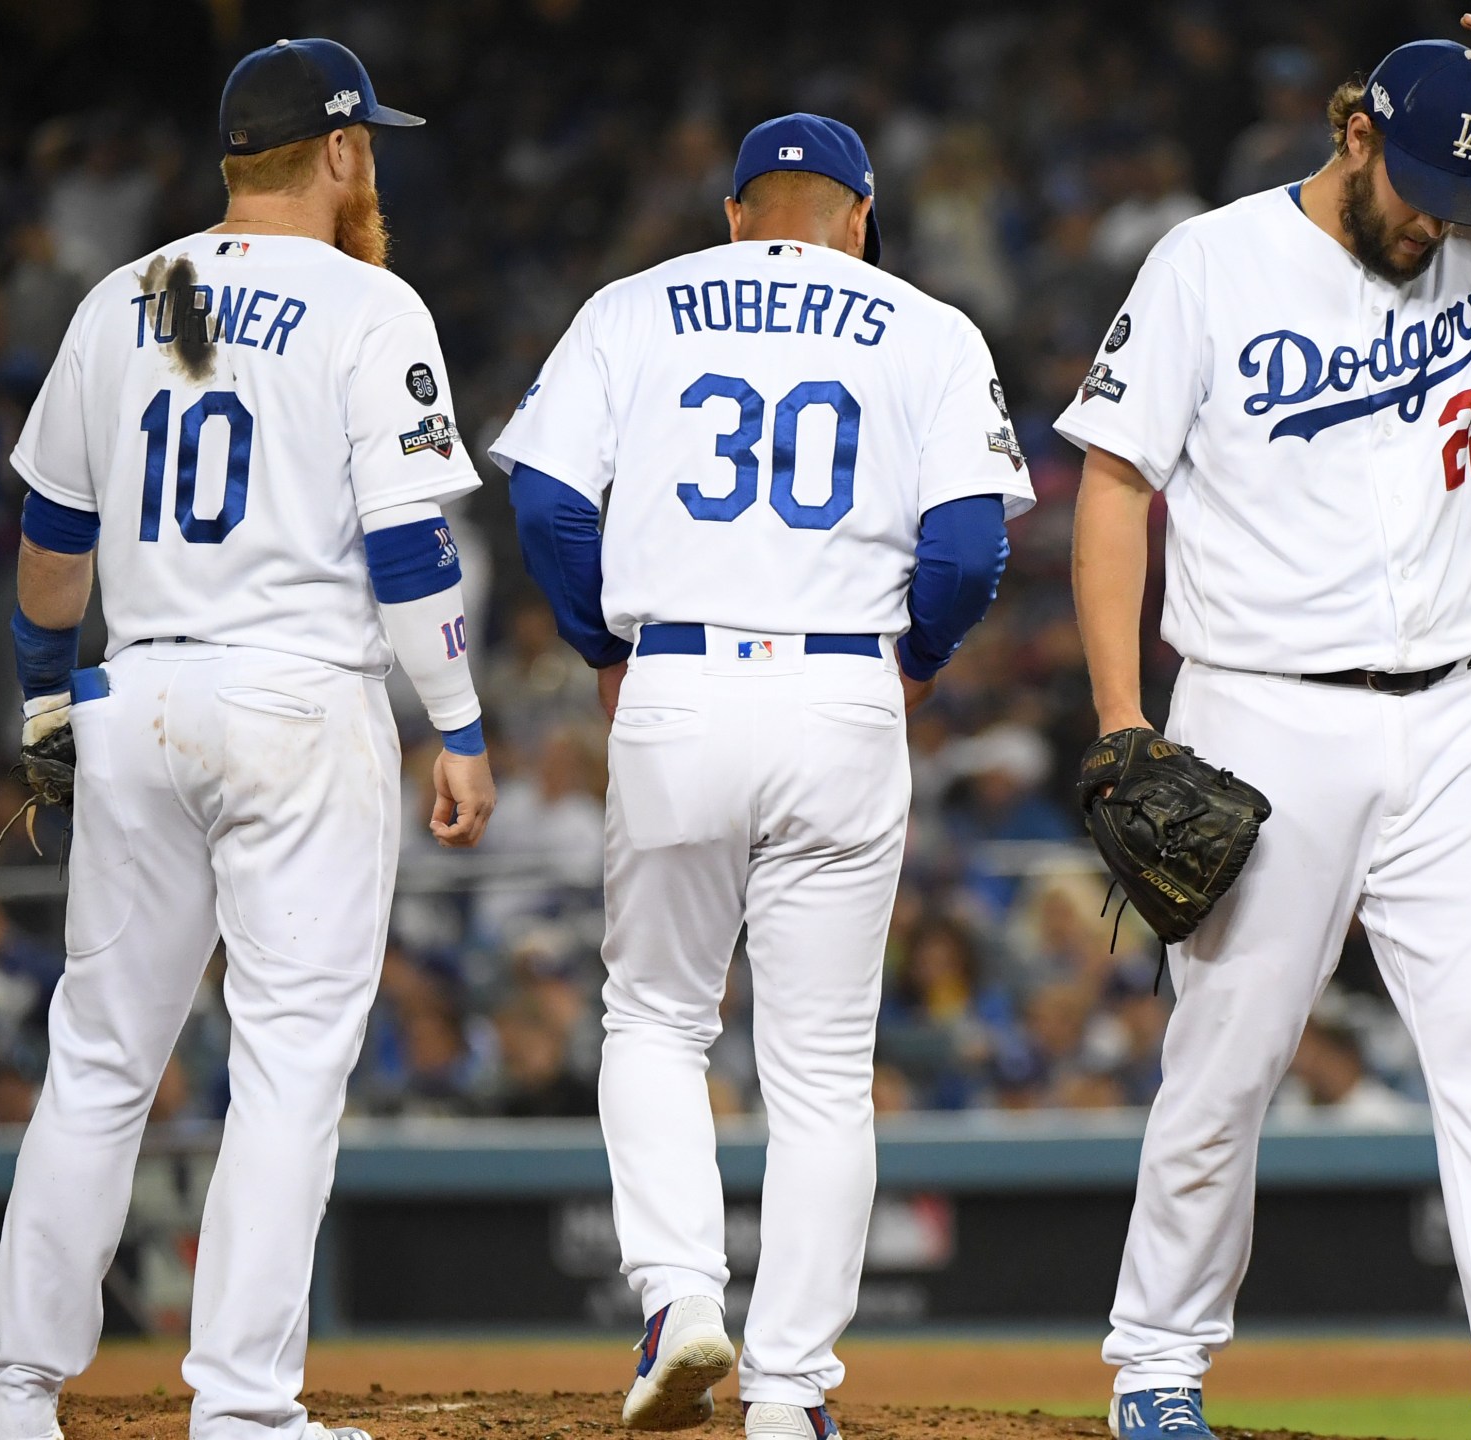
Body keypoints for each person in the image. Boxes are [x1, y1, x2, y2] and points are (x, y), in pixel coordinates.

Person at [1060, 21, 1471, 1440]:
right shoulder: (1212, 261)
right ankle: (1157, 1366)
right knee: (1225, 1067)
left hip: (1455, 715)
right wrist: (1124, 721)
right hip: (1258, 709)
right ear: (1354, 131)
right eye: (1420, 181)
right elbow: (1115, 487)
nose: (1439, 218)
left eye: (1462, 193)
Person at [0, 38, 496, 1440]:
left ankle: (15, 1389)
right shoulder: (371, 306)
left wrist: (40, 701)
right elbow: (406, 543)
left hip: (133, 693)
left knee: (99, 1055)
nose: (368, 157)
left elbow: (52, 541)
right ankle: (243, 1409)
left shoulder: (118, 298)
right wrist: (460, 723)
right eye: (363, 138)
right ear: (335, 151)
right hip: (296, 702)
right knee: (288, 1065)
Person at [495, 113, 1030, 1438]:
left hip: (676, 679)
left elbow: (550, 505)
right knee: (823, 1072)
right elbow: (966, 551)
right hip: (842, 689)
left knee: (657, 1021)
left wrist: (593, 643)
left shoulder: (633, 306)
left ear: (737, 213)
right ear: (859, 218)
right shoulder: (927, 324)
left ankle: (679, 1296)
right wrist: (915, 655)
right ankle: (790, 1396)